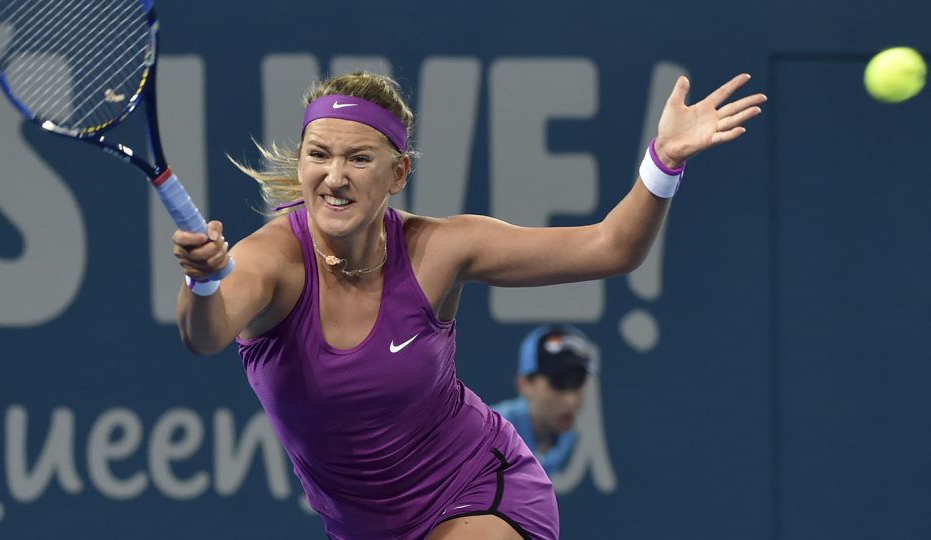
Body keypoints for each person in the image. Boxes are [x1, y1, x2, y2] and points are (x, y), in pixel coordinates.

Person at [172, 70, 766, 539]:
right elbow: (207, 335)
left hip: (481, 486)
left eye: (359, 158)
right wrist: (203, 283)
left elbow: (610, 247)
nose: (334, 176)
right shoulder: (271, 259)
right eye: (318, 154)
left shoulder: (440, 250)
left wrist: (664, 161)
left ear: (397, 172)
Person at [493, 325, 596, 477]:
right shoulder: (489, 433)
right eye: (558, 382)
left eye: (577, 383)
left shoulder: (564, 436)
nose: (571, 400)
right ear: (525, 384)